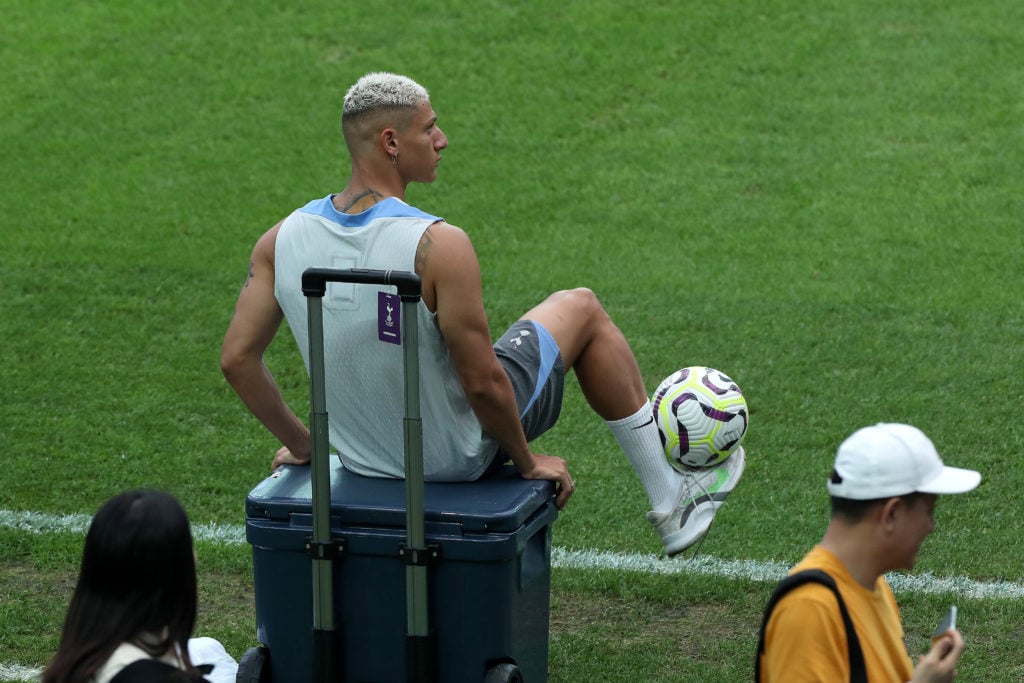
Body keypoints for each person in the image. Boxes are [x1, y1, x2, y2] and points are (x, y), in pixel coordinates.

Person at [219, 71, 745, 556]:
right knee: (581, 309)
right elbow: (482, 383)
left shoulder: (280, 240)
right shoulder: (437, 244)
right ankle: (671, 501)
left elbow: (238, 359)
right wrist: (526, 461)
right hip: (458, 456)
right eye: (430, 128)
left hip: (365, 459)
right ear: (391, 143)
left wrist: (303, 444)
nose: (442, 139)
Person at [756, 423, 980, 682]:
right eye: (929, 511)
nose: (932, 526)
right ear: (892, 513)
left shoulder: (873, 585)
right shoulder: (810, 610)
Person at [42, 490, 234, 683]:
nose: (195, 557)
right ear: (169, 573)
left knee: (207, 647)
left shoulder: (84, 654)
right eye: (186, 547)